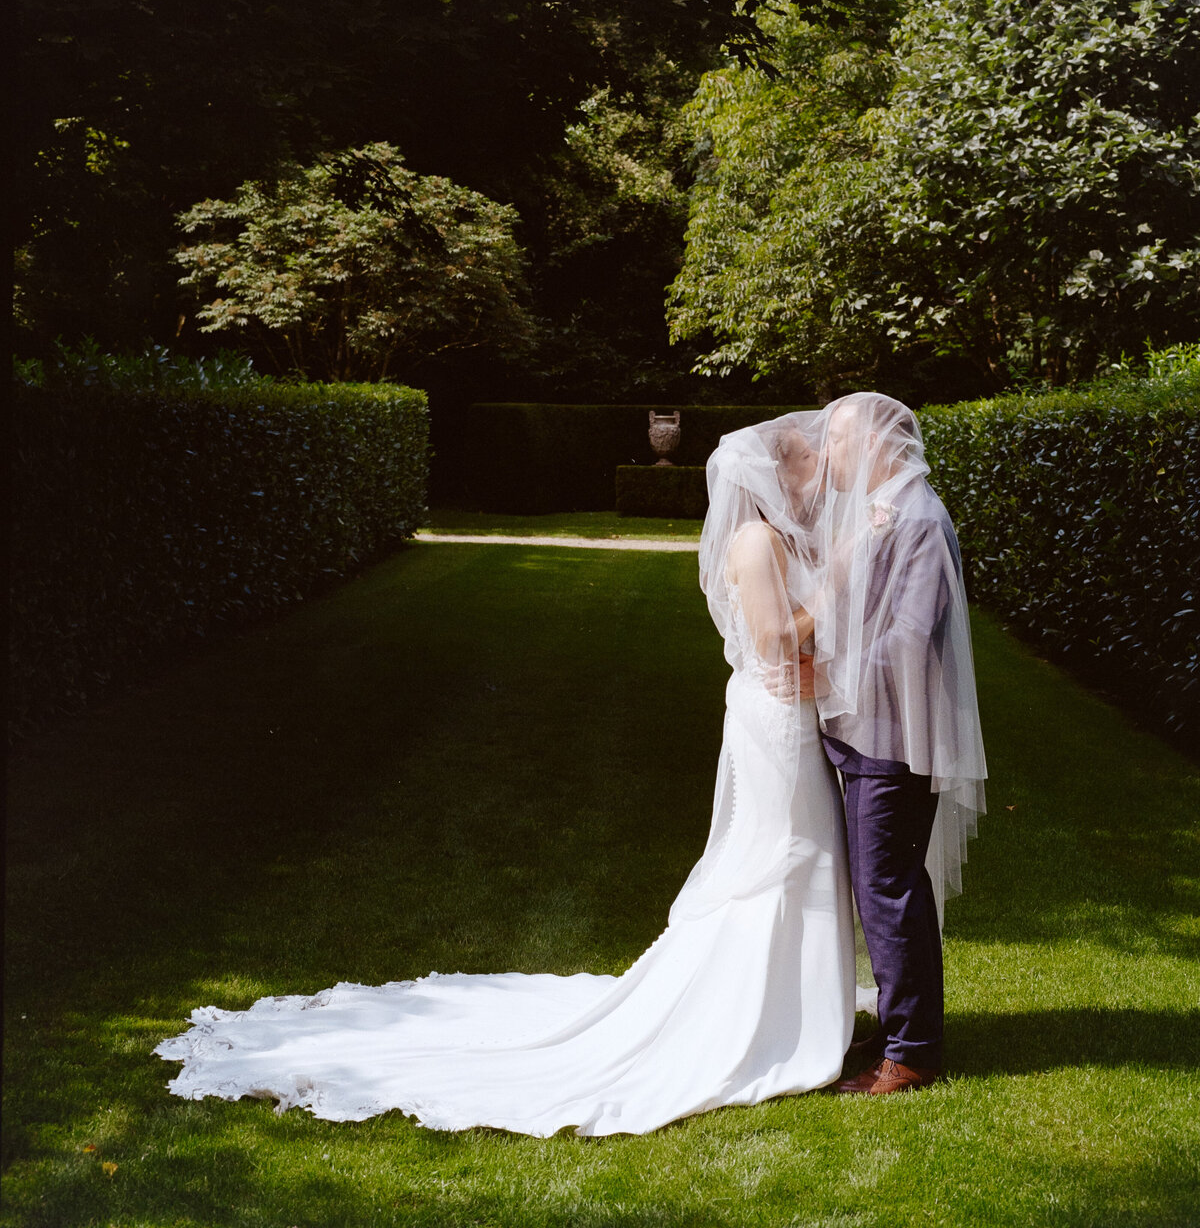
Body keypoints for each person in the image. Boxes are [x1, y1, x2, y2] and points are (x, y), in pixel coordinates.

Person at [155, 419, 868, 1135]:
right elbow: (775, 640)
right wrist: (839, 575)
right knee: (784, 851)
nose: (817, 474)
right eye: (807, 462)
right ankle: (765, 1015)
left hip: (782, 708)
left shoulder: (774, 537)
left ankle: (794, 1006)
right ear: (774, 475)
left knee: (796, 849)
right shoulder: (755, 540)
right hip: (774, 716)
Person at [812, 392, 987, 1096]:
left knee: (887, 888)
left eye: (839, 440)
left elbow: (911, 636)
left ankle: (912, 1051)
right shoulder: (891, 507)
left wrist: (830, 667)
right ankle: (900, 1030)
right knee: (882, 885)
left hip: (894, 733)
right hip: (873, 728)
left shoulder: (916, 515)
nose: (830, 455)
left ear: (881, 440)